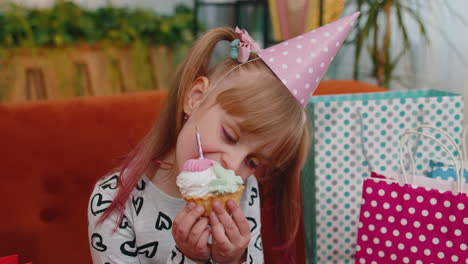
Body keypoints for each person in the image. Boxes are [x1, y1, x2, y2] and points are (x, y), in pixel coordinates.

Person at [88, 12, 358, 264]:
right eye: (230, 136)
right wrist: (189, 257)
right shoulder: (113, 200)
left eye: (252, 162)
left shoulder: (242, 194)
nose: (233, 165)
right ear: (194, 98)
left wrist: (234, 259)